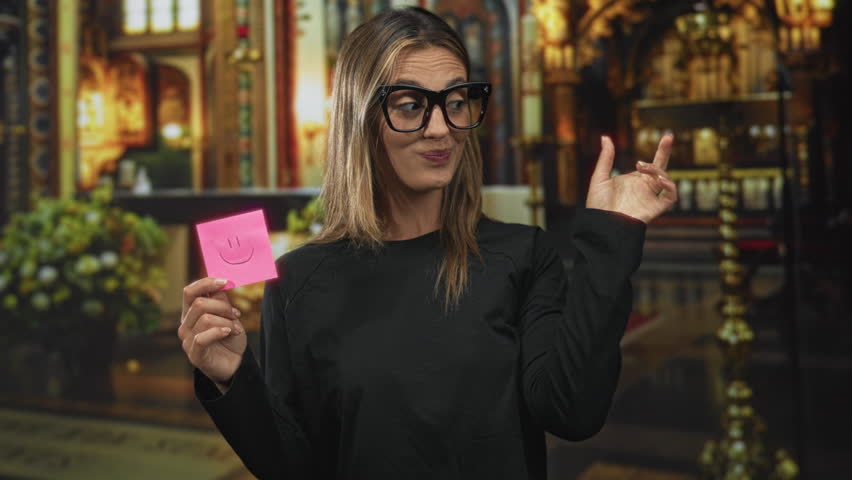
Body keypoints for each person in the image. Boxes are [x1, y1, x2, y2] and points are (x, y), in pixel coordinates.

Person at [177, 7, 677, 479]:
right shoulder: (298, 281)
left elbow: (573, 413)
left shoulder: (522, 256)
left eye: (456, 101)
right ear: (361, 120)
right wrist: (233, 378)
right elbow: (294, 466)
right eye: (412, 105)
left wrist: (611, 239)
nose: (441, 128)